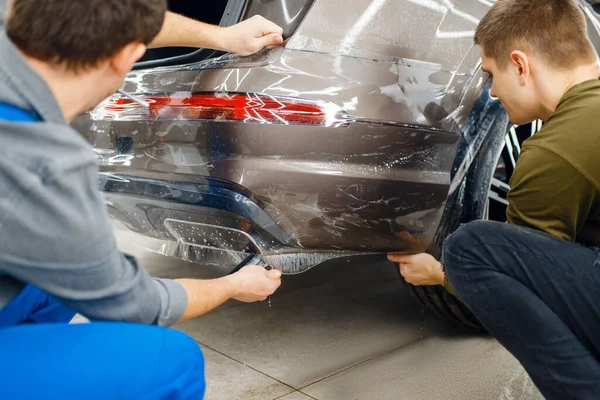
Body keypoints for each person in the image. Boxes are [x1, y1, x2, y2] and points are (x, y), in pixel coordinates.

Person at [0, 1, 283, 399]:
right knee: (171, 361)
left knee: (47, 289)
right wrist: (233, 284)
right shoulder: (44, 162)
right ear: (131, 57)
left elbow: (119, 15)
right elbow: (135, 305)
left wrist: (221, 37)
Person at [388, 0, 600, 398]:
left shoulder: (554, 152)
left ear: (520, 65)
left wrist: (442, 275)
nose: (493, 91)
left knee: (471, 248)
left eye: (491, 74)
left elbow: (527, 288)